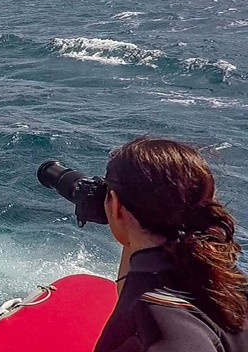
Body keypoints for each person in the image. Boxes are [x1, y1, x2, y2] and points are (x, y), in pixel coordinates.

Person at [94, 136, 248, 352]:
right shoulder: (218, 274)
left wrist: (119, 217)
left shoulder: (161, 314)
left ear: (116, 204)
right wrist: (126, 226)